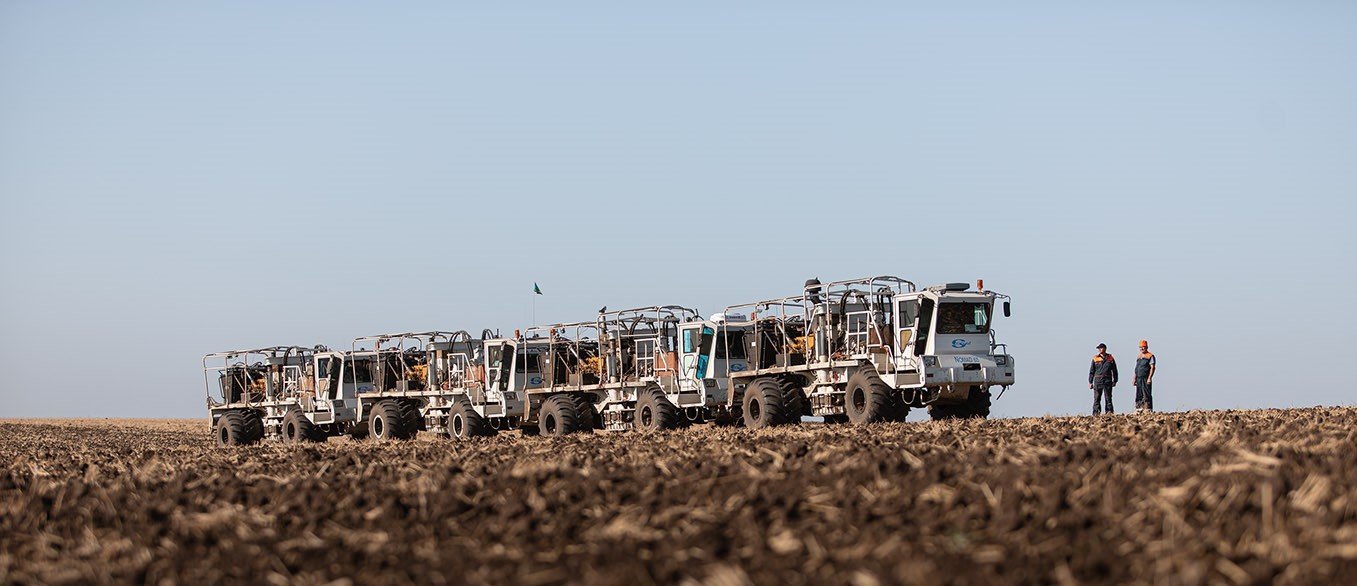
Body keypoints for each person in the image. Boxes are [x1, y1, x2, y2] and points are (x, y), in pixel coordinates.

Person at [1089, 343, 1118, 415]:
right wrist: (1090, 382)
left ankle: (1109, 413)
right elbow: (1091, 371)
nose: (1099, 349)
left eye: (1101, 348)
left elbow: (1114, 370)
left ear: (1105, 348)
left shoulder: (1110, 358)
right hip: (1098, 380)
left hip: (1107, 380)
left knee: (1108, 398)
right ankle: (1096, 414)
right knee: (1097, 398)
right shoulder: (1095, 358)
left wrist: (1115, 380)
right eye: (1098, 348)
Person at [1134, 340, 1156, 411]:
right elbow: (1136, 368)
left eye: (1143, 347)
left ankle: (1148, 408)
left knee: (1146, 393)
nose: (1142, 348)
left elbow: (1152, 367)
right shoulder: (1139, 356)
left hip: (1146, 378)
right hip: (1138, 378)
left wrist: (1149, 378)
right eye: (1140, 347)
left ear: (1146, 347)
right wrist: (1134, 378)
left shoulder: (1150, 356)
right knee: (1139, 393)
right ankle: (1139, 408)